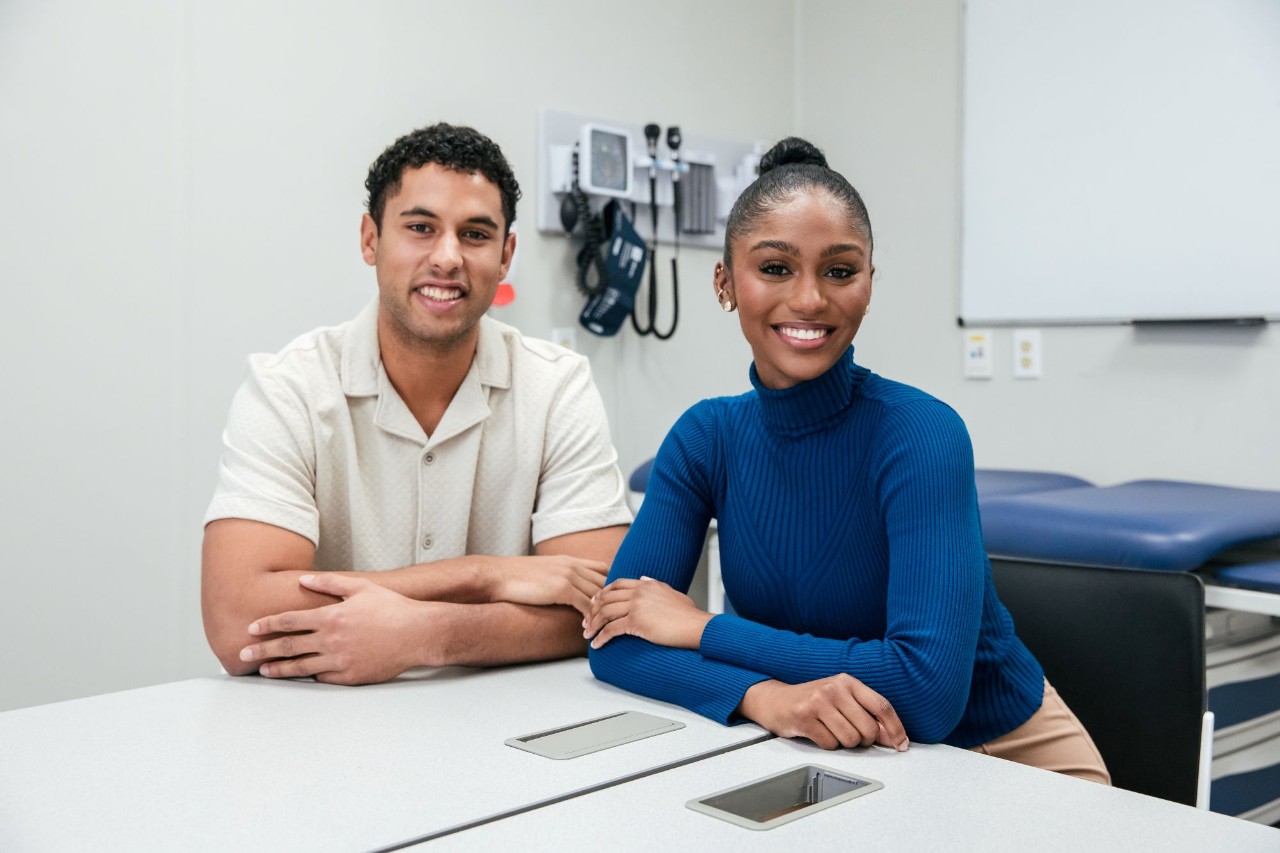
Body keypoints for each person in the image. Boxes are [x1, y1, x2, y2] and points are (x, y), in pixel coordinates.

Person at [583, 137, 1109, 782]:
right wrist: (765, 698)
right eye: (775, 268)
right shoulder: (704, 438)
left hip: (1003, 754)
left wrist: (699, 629)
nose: (809, 300)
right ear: (725, 283)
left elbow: (925, 693)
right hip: (828, 743)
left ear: (868, 284)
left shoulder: (921, 433)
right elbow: (615, 644)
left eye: (839, 271)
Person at [203, 123, 632, 684]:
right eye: (421, 228)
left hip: (500, 729)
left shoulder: (557, 388)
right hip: (312, 729)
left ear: (506, 256)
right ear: (369, 239)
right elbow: (238, 620)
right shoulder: (290, 388)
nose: (448, 257)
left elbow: (600, 611)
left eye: (475, 234)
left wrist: (423, 635)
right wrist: (483, 576)